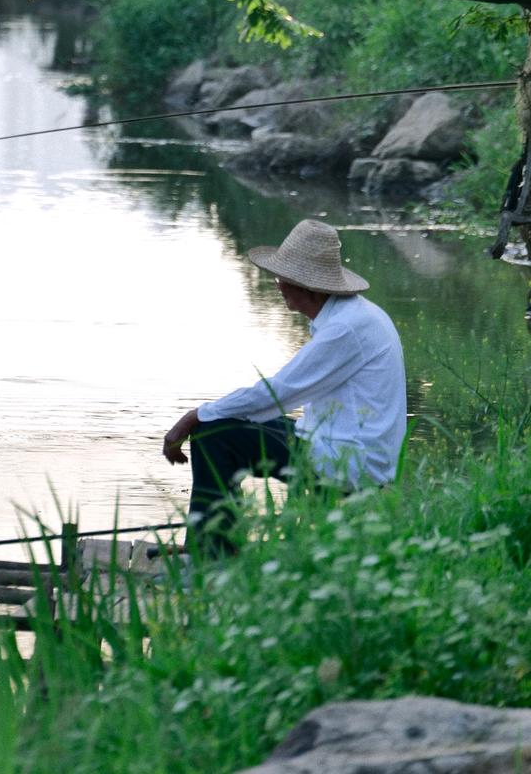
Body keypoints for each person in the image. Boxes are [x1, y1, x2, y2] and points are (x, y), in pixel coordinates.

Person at [163, 219, 407, 555]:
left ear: (308, 286)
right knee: (224, 425)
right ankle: (213, 542)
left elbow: (277, 394)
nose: (277, 286)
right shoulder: (351, 316)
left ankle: (210, 554)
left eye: (283, 279)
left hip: (349, 461)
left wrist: (194, 416)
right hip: (335, 445)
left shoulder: (345, 329)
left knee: (211, 433)